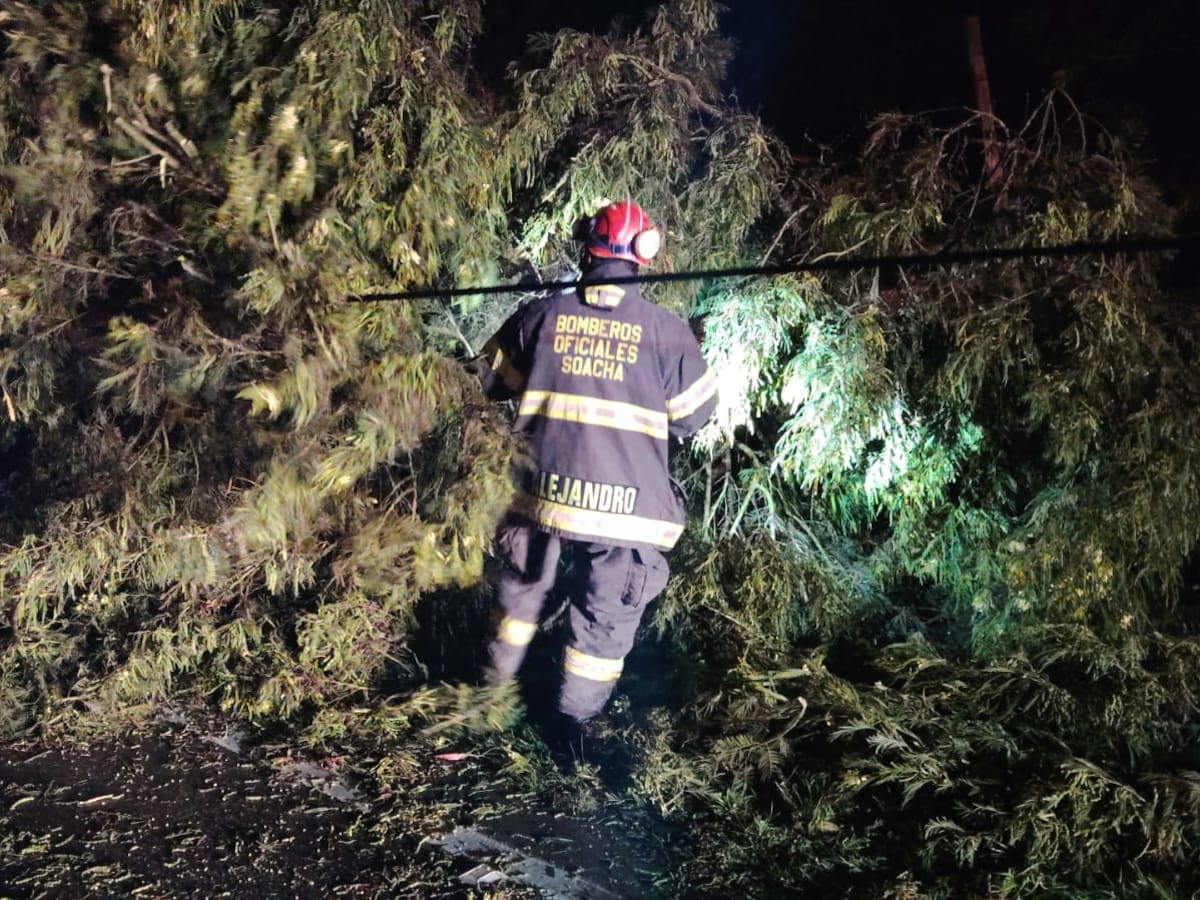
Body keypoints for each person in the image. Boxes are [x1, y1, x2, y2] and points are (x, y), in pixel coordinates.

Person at [474, 200, 717, 737]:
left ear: (587, 248)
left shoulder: (541, 316)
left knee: (518, 600)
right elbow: (694, 418)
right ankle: (571, 730)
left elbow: (486, 384)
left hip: (543, 495)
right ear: (644, 256)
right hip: (626, 511)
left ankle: (487, 709)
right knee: (605, 619)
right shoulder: (668, 334)